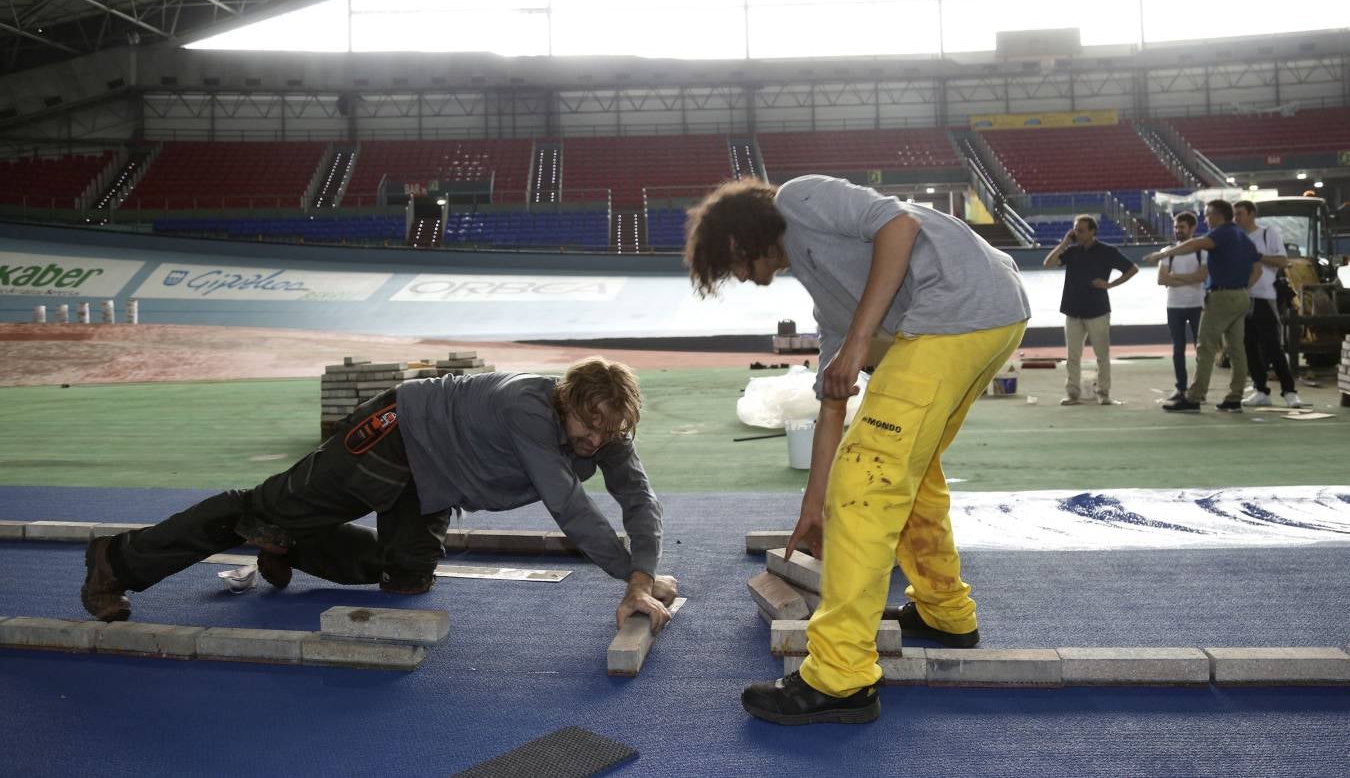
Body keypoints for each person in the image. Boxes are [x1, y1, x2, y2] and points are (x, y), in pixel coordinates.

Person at [683, 175, 1030, 726]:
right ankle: (945, 610)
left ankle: (840, 678)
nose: (741, 279)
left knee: (866, 482)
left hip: (955, 310)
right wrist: (811, 506)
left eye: (733, 266)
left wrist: (861, 342)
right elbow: (831, 405)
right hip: (987, 313)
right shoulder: (832, 304)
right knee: (911, 473)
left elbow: (899, 224)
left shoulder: (796, 197)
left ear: (736, 239)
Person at [80, 357, 675, 633]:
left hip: (433, 480)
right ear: (566, 399)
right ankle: (117, 561)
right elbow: (569, 506)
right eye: (586, 427)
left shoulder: (605, 430)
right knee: (255, 513)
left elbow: (638, 499)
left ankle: (291, 547)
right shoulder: (530, 404)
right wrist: (630, 580)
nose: (594, 442)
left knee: (408, 574)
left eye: (608, 432)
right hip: (392, 440)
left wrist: (643, 572)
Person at [1144, 200, 1262, 412]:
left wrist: (1163, 254)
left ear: (1217, 216)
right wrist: (1242, 288)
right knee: (1236, 349)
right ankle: (1235, 397)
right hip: (1242, 296)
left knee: (1205, 347)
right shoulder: (1242, 236)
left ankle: (1194, 397)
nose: (1206, 219)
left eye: (1208, 215)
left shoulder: (1220, 233)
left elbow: (1195, 244)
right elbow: (1258, 269)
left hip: (1221, 297)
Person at [1042, 215, 1139, 405]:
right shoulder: (1071, 251)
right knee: (1072, 356)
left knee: (1102, 355)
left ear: (1092, 231)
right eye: (1075, 229)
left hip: (1098, 310)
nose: (1077, 233)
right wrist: (1063, 244)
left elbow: (1132, 269)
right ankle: (1072, 394)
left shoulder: (1107, 251)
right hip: (1073, 310)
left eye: (1081, 230)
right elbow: (1048, 263)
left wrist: (1110, 285)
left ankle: (1103, 393)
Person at [1232, 200, 1303, 407]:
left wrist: (1258, 256)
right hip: (1242, 297)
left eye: (1240, 214)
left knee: (1272, 346)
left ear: (1252, 214)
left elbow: (1282, 261)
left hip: (1264, 296)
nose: (1237, 218)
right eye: (1234, 215)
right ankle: (1261, 390)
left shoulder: (1268, 233)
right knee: (1249, 347)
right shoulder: (1236, 238)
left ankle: (1289, 391)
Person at [1157, 211, 1207, 402]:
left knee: (1201, 349)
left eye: (1182, 227)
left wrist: (1175, 277)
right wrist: (1189, 279)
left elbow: (1202, 276)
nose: (1178, 231)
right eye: (1176, 227)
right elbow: (1162, 279)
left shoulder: (1201, 251)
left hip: (1197, 305)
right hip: (1174, 306)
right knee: (1178, 349)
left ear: (1192, 228)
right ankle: (1181, 388)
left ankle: (1199, 389)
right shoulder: (1167, 252)